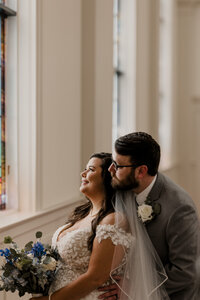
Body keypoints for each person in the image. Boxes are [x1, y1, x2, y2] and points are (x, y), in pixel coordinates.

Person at [30, 151, 168, 300]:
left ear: (109, 178)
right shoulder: (82, 213)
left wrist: (50, 299)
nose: (83, 173)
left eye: (91, 170)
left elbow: (95, 278)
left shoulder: (115, 220)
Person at [99, 132, 200, 300]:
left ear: (141, 171)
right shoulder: (122, 186)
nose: (111, 169)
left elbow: (185, 273)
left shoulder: (180, 208)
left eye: (117, 165)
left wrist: (136, 288)